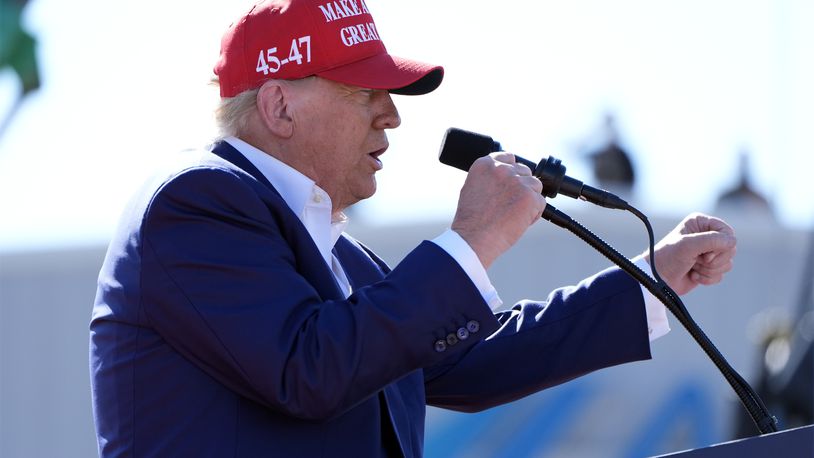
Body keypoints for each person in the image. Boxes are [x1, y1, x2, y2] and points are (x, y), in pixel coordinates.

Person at [88, 1, 737, 456]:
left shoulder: (340, 256)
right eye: (362, 92)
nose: (391, 116)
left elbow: (474, 362)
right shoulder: (197, 203)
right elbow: (308, 369)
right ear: (279, 104)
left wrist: (651, 282)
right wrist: (472, 239)